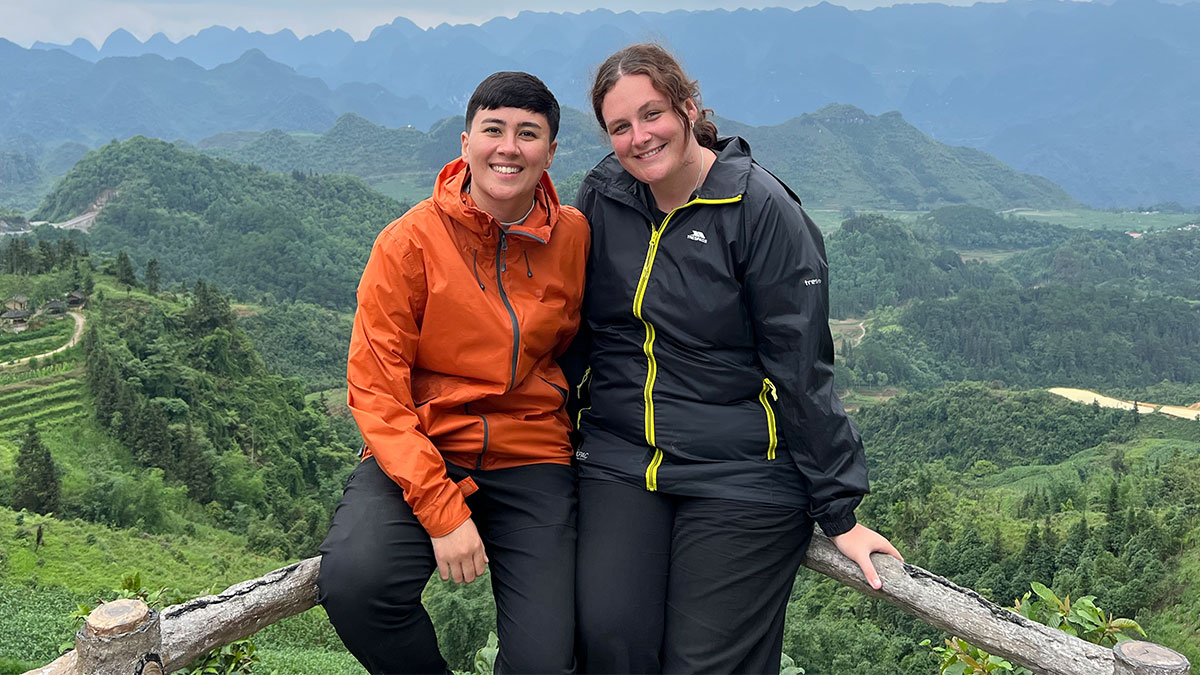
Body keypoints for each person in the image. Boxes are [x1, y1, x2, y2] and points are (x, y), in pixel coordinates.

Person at [571, 44, 902, 673]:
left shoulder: (761, 210)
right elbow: (575, 330)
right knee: (609, 642)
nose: (639, 138)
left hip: (743, 473)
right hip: (621, 457)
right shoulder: (605, 195)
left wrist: (839, 511)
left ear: (689, 107)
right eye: (620, 126)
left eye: (653, 114)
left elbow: (803, 367)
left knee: (704, 664)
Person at [316, 71, 588, 674]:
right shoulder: (409, 243)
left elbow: (579, 347)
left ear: (551, 152)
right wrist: (442, 510)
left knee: (547, 661)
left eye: (528, 133)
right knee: (357, 583)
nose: (508, 148)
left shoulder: (572, 237)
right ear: (465, 143)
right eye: (493, 130)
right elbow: (375, 388)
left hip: (533, 455)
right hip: (424, 447)